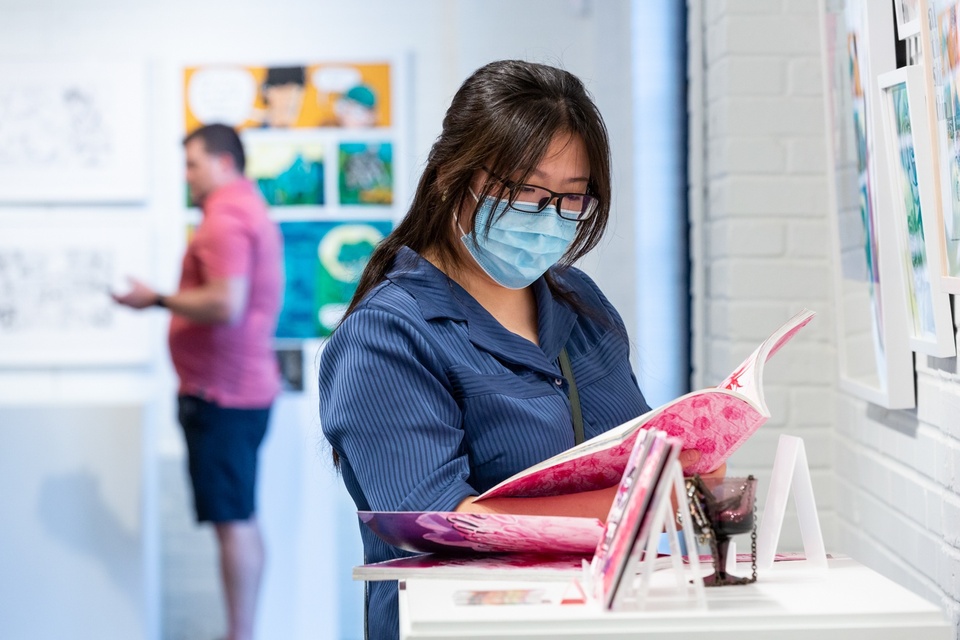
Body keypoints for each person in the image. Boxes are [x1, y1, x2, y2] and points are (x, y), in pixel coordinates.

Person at [318, 60, 722, 640]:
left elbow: (626, 451)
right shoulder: (386, 335)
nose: (549, 218)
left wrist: (689, 473)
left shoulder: (578, 301)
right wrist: (638, 502)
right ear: (448, 175)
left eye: (572, 199)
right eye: (527, 191)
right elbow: (441, 530)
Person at [113, 123, 284, 640]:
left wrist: (157, 300)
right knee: (241, 517)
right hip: (240, 390)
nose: (186, 175)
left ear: (224, 163)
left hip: (222, 395)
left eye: (193, 163)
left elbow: (224, 302)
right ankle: (243, 630)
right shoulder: (248, 207)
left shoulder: (225, 216)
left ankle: (239, 633)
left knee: (234, 522)